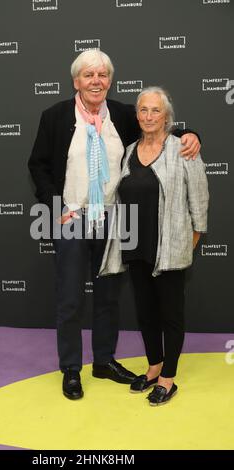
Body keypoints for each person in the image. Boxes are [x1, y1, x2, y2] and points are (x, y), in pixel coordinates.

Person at [28, 51, 201, 400]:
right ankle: (72, 369)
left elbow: (158, 126)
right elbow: (38, 165)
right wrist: (55, 206)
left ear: (110, 81)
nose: (96, 81)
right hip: (72, 219)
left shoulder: (122, 114)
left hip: (115, 219)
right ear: (76, 81)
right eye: (89, 75)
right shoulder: (55, 117)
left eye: (103, 75)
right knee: (70, 299)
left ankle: (104, 362)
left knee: (108, 296)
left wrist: (191, 134)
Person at [100, 86, 209, 405]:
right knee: (146, 312)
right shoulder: (129, 150)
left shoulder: (183, 149)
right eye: (143, 110)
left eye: (155, 110)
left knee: (170, 314)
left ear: (167, 116)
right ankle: (153, 366)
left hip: (171, 249)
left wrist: (188, 243)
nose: (148, 116)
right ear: (137, 115)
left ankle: (168, 377)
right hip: (136, 245)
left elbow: (199, 201)